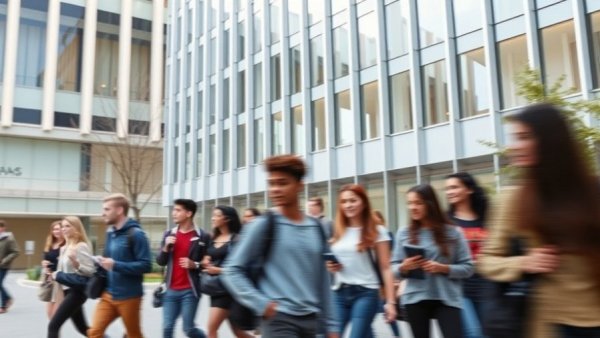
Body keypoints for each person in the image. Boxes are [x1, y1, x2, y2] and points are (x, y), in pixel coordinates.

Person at [478, 103, 600, 338]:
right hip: (550, 323)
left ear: (550, 140)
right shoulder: (512, 199)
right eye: (515, 138)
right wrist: (524, 262)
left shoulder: (593, 191)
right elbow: (486, 261)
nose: (514, 147)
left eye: (524, 137)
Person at [222, 154, 339, 338]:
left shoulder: (316, 227)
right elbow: (231, 269)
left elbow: (323, 281)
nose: (275, 189)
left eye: (282, 183)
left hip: (312, 320)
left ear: (300, 185)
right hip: (279, 320)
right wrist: (261, 303)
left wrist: (332, 326)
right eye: (271, 183)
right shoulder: (263, 224)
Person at [391, 184, 473, 338]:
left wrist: (443, 268)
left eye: (418, 203)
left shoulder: (453, 232)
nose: (412, 207)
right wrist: (404, 267)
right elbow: (393, 269)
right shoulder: (404, 233)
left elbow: (468, 268)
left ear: (430, 204)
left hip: (447, 298)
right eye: (409, 203)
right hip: (415, 298)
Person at [326, 185, 397, 338]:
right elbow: (334, 262)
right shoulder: (337, 230)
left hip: (366, 293)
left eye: (353, 200)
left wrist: (391, 303)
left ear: (363, 203)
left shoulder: (377, 231)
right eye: (344, 201)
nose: (348, 205)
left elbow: (386, 267)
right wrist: (331, 266)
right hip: (339, 292)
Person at [87, 193, 152, 338]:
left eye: (107, 209)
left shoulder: (136, 234)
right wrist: (100, 262)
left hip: (129, 296)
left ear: (120, 210)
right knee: (94, 332)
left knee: (133, 335)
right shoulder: (111, 233)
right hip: (108, 295)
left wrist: (116, 265)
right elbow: (108, 260)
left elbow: (146, 265)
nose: (103, 213)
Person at [156, 199, 210, 338]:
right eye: (173, 210)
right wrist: (166, 247)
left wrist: (195, 264)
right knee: (167, 328)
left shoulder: (202, 236)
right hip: (170, 290)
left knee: (189, 329)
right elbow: (161, 262)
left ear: (188, 213)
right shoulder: (169, 234)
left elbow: (208, 263)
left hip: (190, 291)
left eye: (178, 210)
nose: (174, 213)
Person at [445, 172, 489, 338]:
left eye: (454, 187)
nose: (449, 192)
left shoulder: (486, 219)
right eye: (447, 189)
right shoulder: (445, 222)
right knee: (474, 334)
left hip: (486, 287)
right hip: (458, 289)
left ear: (469, 189)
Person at [202, 206, 252, 338]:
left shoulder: (237, 239)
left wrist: (218, 270)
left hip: (228, 290)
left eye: (217, 215)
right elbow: (208, 256)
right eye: (213, 215)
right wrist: (206, 260)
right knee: (238, 332)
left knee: (211, 329)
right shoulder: (214, 237)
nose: (213, 218)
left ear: (227, 219)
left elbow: (243, 267)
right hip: (216, 289)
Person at [47, 216, 96, 338]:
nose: (64, 229)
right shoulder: (65, 247)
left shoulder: (81, 246)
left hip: (77, 292)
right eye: (63, 226)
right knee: (83, 328)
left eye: (68, 226)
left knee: (53, 326)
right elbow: (64, 270)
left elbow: (90, 271)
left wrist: (76, 263)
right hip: (67, 291)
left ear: (76, 228)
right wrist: (52, 273)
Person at [372, 210, 402, 338]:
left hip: (384, 275)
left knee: (385, 308)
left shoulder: (387, 234)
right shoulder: (369, 235)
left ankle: (397, 334)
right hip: (374, 276)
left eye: (377, 219)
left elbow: (392, 256)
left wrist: (395, 279)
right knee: (378, 309)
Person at [41, 220, 66, 318]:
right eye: (54, 229)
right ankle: (55, 332)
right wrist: (44, 263)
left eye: (59, 229)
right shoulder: (50, 243)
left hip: (60, 280)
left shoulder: (66, 245)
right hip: (50, 280)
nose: (57, 231)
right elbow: (45, 258)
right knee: (49, 313)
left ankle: (55, 331)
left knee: (55, 315)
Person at [0, 220, 20, 314]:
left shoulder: (9, 238)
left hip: (3, 266)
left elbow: (16, 252)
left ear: (3, 228)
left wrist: (4, 260)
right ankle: (8, 298)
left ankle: (3, 305)